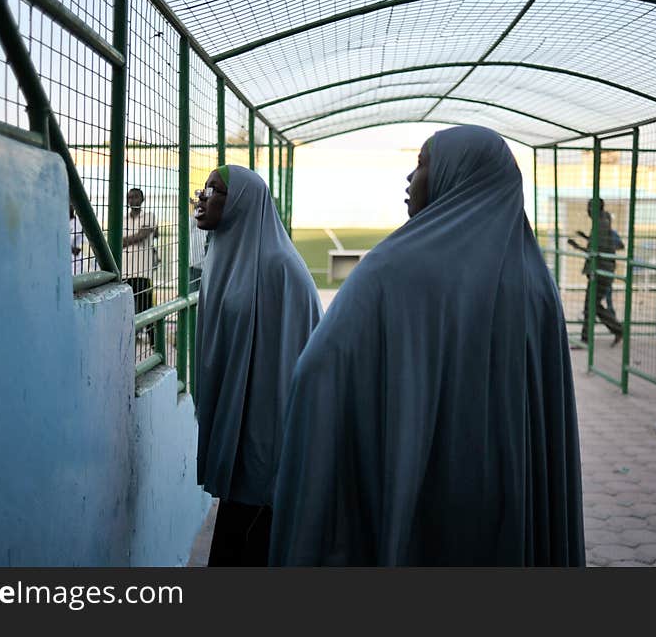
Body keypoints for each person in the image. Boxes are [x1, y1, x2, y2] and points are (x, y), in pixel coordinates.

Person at [269, 125, 585, 566]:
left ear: (457, 177)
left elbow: (317, 372)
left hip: (420, 491)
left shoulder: (392, 268)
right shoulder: (535, 281)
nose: (409, 179)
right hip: (508, 502)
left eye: (421, 165)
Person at [193, 164, 322, 566]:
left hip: (265, 435)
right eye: (205, 188)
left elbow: (293, 365)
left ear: (243, 204)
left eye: (215, 191)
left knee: (251, 539)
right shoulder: (225, 253)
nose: (203, 197)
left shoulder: (279, 268)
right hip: (239, 424)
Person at [567, 199, 623, 345]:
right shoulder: (603, 222)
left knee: (590, 306)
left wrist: (576, 246)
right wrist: (585, 237)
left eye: (590, 208)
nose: (588, 211)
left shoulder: (600, 224)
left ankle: (587, 339)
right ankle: (617, 329)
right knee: (594, 305)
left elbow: (595, 251)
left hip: (600, 272)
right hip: (602, 270)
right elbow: (598, 244)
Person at [122, 188, 157, 344]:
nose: (132, 200)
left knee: (146, 310)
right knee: (125, 311)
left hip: (142, 271)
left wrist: (124, 240)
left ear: (142, 199)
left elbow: (143, 236)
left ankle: (155, 345)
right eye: (129, 197)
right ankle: (128, 343)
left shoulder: (149, 216)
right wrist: (130, 239)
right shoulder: (122, 219)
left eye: (135, 197)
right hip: (125, 271)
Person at [70, 203, 85, 276]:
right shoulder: (58, 222)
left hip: (75, 260)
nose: (70, 206)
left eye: (71, 204)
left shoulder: (79, 223)